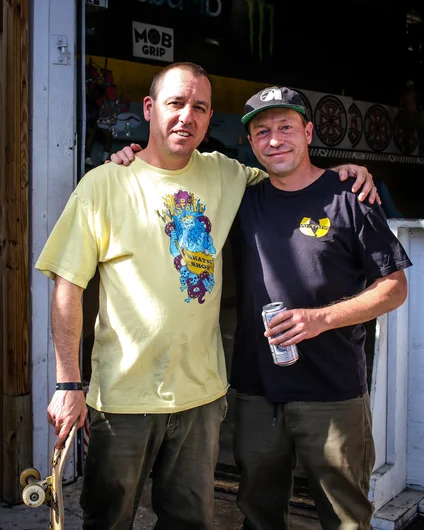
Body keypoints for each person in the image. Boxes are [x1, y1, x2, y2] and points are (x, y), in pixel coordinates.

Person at [36, 62, 376, 530]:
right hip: (123, 398)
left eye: (199, 107)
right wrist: (68, 383)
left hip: (202, 399)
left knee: (189, 521)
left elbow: (291, 177)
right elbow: (66, 285)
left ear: (210, 115)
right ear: (150, 109)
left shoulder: (227, 175)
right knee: (108, 519)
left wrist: (342, 173)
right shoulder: (105, 184)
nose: (186, 117)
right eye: (175, 103)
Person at [227, 86, 411, 530]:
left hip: (332, 392)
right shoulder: (240, 198)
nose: (275, 140)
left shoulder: (350, 196)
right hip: (257, 392)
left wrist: (320, 319)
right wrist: (128, 157)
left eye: (286, 127)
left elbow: (395, 288)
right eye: (263, 132)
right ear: (251, 144)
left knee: (346, 518)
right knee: (258, 514)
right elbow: (173, 172)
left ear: (308, 132)